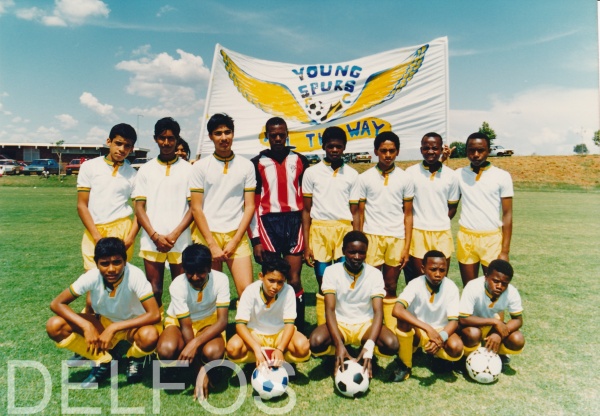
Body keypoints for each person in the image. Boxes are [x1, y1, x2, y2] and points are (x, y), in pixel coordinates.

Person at [45, 237, 161, 387]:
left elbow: (154, 314)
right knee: (55, 325)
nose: (111, 269)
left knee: (149, 336)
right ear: (97, 263)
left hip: (132, 326)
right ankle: (103, 360)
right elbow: (57, 303)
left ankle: (134, 358)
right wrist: (87, 326)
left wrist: (114, 328)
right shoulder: (92, 276)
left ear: (125, 261)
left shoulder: (135, 275)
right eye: (104, 264)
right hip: (104, 321)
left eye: (117, 262)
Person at [309, 231, 398, 378]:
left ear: (366, 253)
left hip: (365, 325)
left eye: (361, 253)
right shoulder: (331, 271)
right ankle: (336, 353)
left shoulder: (374, 274)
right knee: (316, 342)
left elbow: (378, 312)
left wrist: (370, 346)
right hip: (340, 323)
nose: (357, 257)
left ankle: (366, 352)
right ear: (343, 251)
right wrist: (338, 344)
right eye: (352, 252)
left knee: (391, 344)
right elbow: (330, 310)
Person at [250, 117, 310, 332]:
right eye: (272, 135)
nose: (277, 138)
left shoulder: (301, 160)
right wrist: (256, 239)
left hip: (294, 222)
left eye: (281, 134)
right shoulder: (256, 163)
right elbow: (252, 204)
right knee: (272, 280)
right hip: (269, 223)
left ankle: (297, 328)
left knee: (293, 279)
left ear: (287, 135)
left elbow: (307, 199)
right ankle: (269, 325)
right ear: (266, 135)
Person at [351, 131, 413, 332]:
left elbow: (408, 215)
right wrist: (359, 240)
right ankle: (370, 327)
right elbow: (359, 213)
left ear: (398, 152)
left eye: (392, 151)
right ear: (376, 151)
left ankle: (391, 327)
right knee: (371, 285)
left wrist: (406, 247)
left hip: (396, 238)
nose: (388, 155)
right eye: (383, 150)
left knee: (391, 285)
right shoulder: (365, 178)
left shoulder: (405, 178)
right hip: (371, 237)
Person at [190, 113, 256, 297]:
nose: (224, 137)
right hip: (207, 236)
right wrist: (212, 245)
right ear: (211, 136)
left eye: (228, 132)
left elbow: (249, 206)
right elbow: (196, 208)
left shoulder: (246, 165)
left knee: (247, 292)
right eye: (218, 133)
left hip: (236, 235)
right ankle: (217, 326)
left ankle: (245, 327)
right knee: (210, 293)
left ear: (233, 134)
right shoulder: (200, 166)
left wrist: (235, 240)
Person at [156, 243, 229, 402]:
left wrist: (194, 344)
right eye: (190, 272)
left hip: (209, 322)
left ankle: (207, 365)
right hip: (180, 323)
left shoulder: (221, 279)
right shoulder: (177, 285)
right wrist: (199, 371)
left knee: (213, 352)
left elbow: (223, 321)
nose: (195, 277)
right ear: (183, 269)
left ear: (209, 267)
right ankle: (188, 367)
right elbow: (185, 326)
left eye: (201, 272)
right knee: (166, 350)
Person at [133, 117, 194, 308]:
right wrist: (154, 235)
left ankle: (178, 328)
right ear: (155, 139)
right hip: (152, 240)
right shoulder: (145, 170)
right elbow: (139, 208)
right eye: (162, 138)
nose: (166, 143)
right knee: (154, 289)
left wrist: (174, 235)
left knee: (181, 289)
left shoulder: (188, 169)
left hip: (181, 239)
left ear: (177, 139)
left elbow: (194, 208)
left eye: (171, 138)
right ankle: (155, 329)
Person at [302, 126, 359, 326]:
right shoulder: (311, 173)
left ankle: (344, 323)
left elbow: (355, 211)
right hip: (319, 230)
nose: (334, 150)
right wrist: (307, 244)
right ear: (324, 147)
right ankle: (323, 325)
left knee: (345, 280)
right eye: (331, 146)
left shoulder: (352, 175)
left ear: (344, 148)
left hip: (344, 230)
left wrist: (357, 238)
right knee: (323, 280)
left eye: (339, 147)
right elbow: (306, 211)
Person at [391, 250, 463, 382]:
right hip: (418, 331)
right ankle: (405, 365)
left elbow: (453, 322)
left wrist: (439, 338)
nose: (438, 274)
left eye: (442, 270)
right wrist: (427, 328)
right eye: (433, 269)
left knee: (456, 348)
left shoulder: (451, 287)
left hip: (440, 331)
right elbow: (397, 310)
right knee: (403, 321)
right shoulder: (415, 284)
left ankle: (437, 357)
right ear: (423, 269)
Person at [226, 257, 311, 367]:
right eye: (271, 280)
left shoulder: (288, 290)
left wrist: (280, 349)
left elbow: (290, 324)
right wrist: (256, 348)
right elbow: (240, 325)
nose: (275, 287)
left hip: (279, 333)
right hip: (255, 333)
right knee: (233, 348)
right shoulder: (250, 290)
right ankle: (262, 358)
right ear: (261, 276)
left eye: (280, 282)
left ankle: (277, 358)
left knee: (302, 347)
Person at [77, 123, 139, 271]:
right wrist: (97, 236)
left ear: (131, 148)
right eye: (118, 143)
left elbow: (140, 211)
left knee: (116, 278)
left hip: (122, 229)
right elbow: (81, 205)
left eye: (127, 146)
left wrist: (130, 237)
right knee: (92, 278)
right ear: (109, 141)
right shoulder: (89, 167)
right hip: (95, 229)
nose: (122, 149)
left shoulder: (133, 174)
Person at [456, 132, 513, 286]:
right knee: (469, 289)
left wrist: (505, 251)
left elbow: (507, 214)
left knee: (494, 291)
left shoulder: (502, 176)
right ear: (466, 151)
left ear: (488, 150)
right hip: (466, 237)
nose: (476, 154)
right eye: (471, 150)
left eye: (481, 150)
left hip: (491, 240)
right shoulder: (458, 175)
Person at [404, 132, 459, 283]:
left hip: (442, 233)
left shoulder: (451, 176)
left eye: (435, 148)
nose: (430, 151)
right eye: (426, 148)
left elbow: (452, 207)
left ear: (441, 149)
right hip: (418, 232)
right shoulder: (410, 173)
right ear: (421, 150)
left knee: (439, 279)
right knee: (419, 279)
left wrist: (438, 220)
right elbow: (406, 206)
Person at [459, 259, 525, 369]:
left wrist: (498, 334)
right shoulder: (473, 286)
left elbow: (518, 320)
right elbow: (463, 319)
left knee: (517, 339)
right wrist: (494, 321)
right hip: (471, 326)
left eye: (504, 284)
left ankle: (497, 353)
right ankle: (465, 356)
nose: (499, 286)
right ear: (486, 277)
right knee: (473, 334)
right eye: (495, 281)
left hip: (492, 328)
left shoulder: (512, 292)